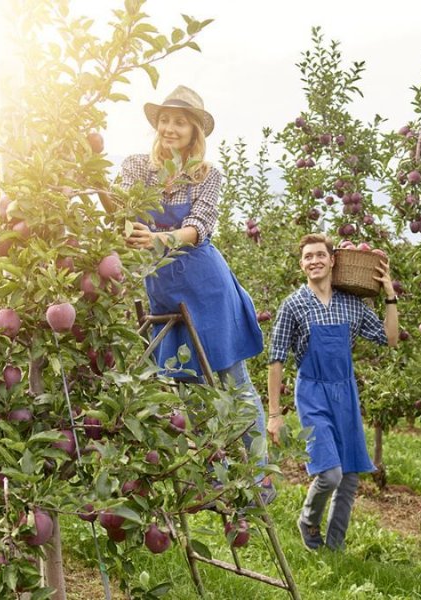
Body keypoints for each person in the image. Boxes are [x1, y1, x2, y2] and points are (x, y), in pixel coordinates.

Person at [111, 85, 271, 496]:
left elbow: (199, 228)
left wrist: (158, 240)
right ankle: (217, 481)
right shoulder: (135, 167)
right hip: (164, 289)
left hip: (206, 286)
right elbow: (123, 211)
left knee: (234, 382)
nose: (170, 127)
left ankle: (257, 479)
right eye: (165, 119)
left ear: (195, 130)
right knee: (189, 388)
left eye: (180, 121)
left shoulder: (208, 175)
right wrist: (128, 230)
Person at [267, 233, 399, 550]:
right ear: (302, 264)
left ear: (332, 260)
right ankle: (308, 521)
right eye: (308, 256)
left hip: (346, 392)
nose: (314, 260)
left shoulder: (351, 305)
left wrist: (390, 296)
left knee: (350, 475)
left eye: (320, 255)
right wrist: (274, 415)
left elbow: (390, 338)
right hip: (312, 392)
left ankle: (334, 547)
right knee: (330, 474)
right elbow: (276, 360)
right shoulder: (293, 306)